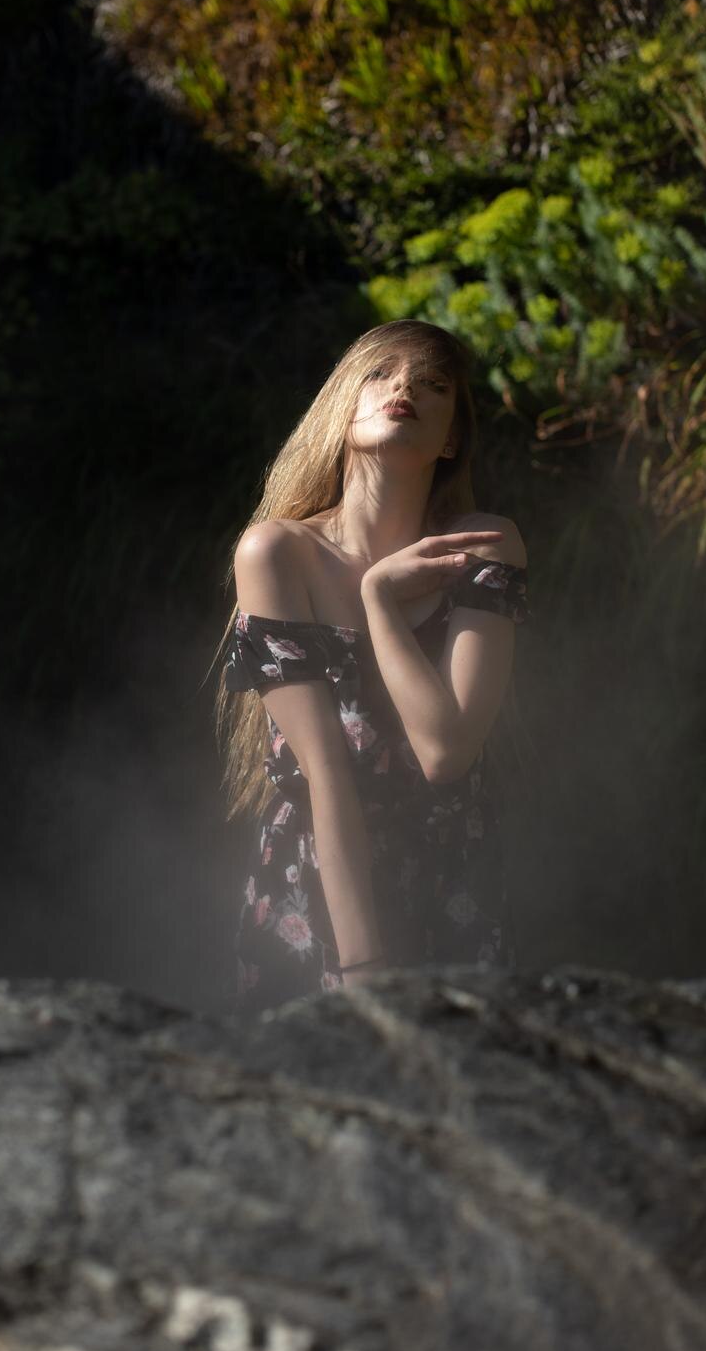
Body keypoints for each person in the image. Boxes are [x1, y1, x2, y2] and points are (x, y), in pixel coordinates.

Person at [214, 319, 530, 1013]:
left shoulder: (484, 547)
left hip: (451, 878)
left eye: (433, 384)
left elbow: (445, 751)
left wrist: (378, 598)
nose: (404, 388)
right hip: (321, 882)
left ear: (450, 438)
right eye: (381, 373)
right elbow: (327, 775)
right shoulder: (275, 553)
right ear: (341, 405)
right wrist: (362, 968)